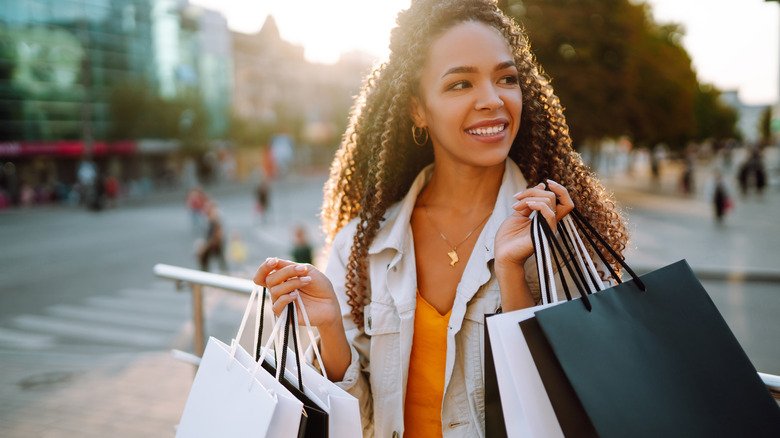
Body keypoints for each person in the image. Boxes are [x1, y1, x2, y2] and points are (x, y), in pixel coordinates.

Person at [253, 1, 628, 436]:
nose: (492, 100)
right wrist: (331, 327)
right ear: (418, 108)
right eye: (460, 84)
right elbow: (359, 425)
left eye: (506, 78)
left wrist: (511, 274)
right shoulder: (360, 245)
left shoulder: (557, 234)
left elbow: (567, 409)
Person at [199, 201, 228, 273]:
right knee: (220, 259)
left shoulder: (214, 220)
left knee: (217, 258)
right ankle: (223, 272)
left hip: (215, 243)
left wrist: (206, 244)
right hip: (215, 242)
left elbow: (214, 233)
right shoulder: (211, 219)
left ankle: (206, 273)